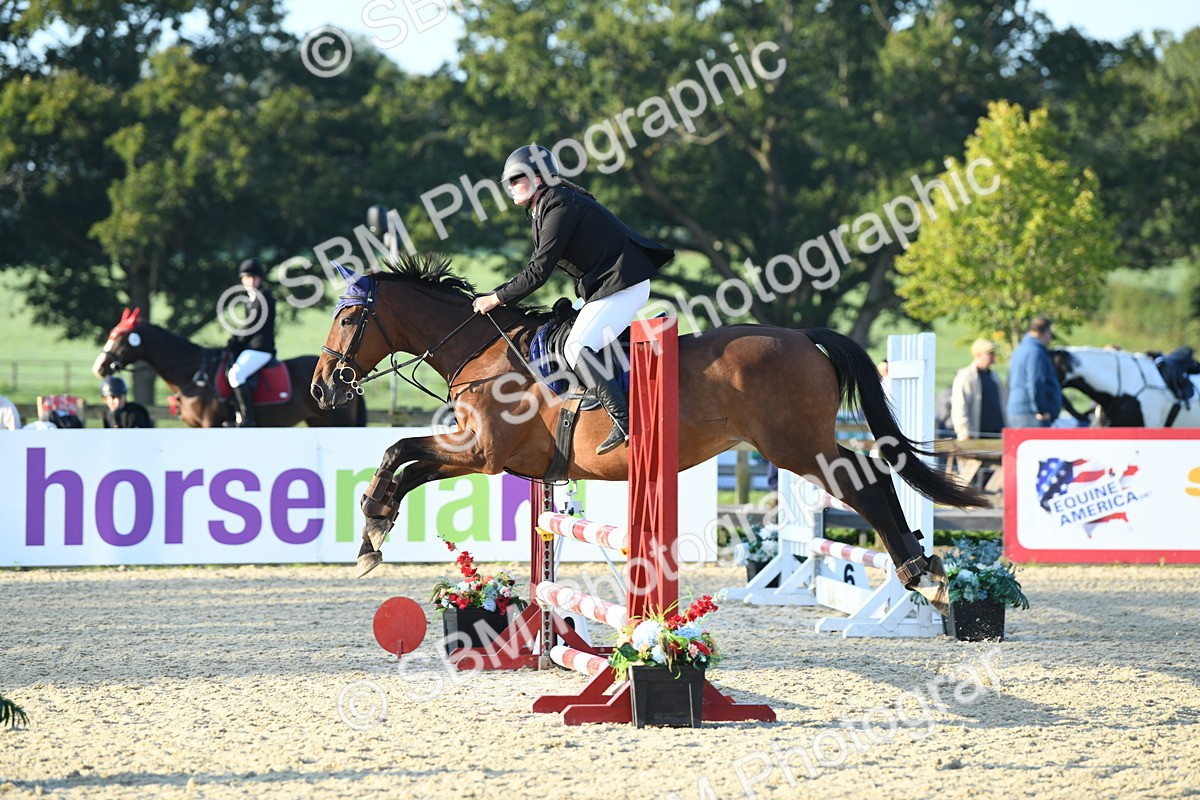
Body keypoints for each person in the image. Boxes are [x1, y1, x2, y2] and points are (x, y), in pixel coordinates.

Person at [471, 145, 674, 455]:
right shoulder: (544, 207)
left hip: (623, 285)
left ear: (538, 179)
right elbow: (535, 267)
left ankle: (624, 421)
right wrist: (495, 295)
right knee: (562, 330)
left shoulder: (560, 205)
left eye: (516, 180)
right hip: (605, 287)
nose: (511, 187)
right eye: (509, 182)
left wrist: (497, 298)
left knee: (576, 346)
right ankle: (597, 384)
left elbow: (539, 271)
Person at [225, 257, 277, 428]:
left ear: (260, 279)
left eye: (254, 277)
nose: (251, 280)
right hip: (252, 347)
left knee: (235, 374)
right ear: (242, 280)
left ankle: (248, 418)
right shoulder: (251, 299)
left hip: (260, 348)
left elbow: (253, 326)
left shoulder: (264, 297)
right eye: (248, 277)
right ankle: (237, 414)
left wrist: (237, 340)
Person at [1006, 316, 1062, 428]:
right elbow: (1036, 382)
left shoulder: (1020, 349)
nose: (1050, 337)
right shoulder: (1035, 352)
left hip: (1020, 412)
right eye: (1050, 333)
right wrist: (1041, 410)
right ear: (1045, 332)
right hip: (1031, 414)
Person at [951, 338, 1007, 439]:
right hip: (976, 436)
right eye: (990, 353)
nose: (994, 355)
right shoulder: (966, 377)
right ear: (978, 355)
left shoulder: (995, 376)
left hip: (997, 434)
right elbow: (960, 406)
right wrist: (964, 432)